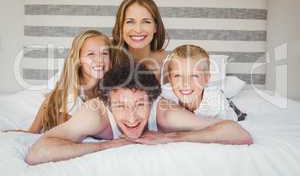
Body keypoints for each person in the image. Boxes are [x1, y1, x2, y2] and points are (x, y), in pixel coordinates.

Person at [25, 62, 252, 165]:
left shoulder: (163, 111)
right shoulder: (95, 113)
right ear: (107, 102)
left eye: (140, 105)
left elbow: (239, 133)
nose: (132, 118)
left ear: (152, 101)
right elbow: (37, 153)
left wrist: (171, 137)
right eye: (121, 106)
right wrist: (104, 146)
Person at [7, 30, 111, 133]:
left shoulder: (109, 86)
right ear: (78, 60)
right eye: (91, 54)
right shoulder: (72, 94)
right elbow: (48, 103)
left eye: (105, 53)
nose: (99, 60)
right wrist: (33, 130)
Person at [161, 44, 237, 121]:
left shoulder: (215, 102)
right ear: (170, 79)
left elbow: (229, 125)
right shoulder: (165, 96)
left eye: (194, 75)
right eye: (177, 75)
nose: (185, 83)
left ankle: (231, 103)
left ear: (206, 79)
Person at [111, 0, 169, 80]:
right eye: (130, 22)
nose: (138, 30)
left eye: (146, 22)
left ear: (155, 27)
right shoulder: (108, 59)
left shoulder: (168, 64)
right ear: (120, 26)